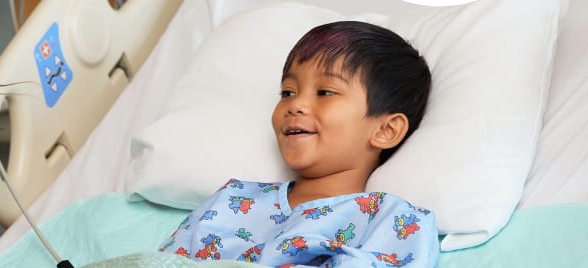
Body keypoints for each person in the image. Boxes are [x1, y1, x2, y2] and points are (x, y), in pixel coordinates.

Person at [158, 21, 439, 266]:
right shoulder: (230, 199)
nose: (296, 105)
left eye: (325, 92)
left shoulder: (394, 221)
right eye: (287, 92)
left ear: (386, 129)